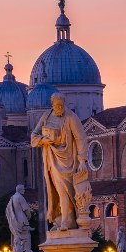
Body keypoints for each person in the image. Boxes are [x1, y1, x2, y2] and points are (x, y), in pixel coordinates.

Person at [30, 91, 90, 231]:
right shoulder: (46, 116)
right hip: (52, 158)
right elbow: (33, 136)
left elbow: (81, 138)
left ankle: (67, 221)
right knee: (57, 191)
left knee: (67, 191)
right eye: (57, 105)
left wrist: (82, 160)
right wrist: (43, 140)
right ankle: (61, 219)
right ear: (52, 104)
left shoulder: (71, 117)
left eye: (62, 105)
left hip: (68, 161)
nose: (60, 108)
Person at [6, 184, 32, 252]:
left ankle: (19, 250)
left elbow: (8, 210)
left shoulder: (12, 198)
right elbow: (26, 209)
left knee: (18, 236)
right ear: (20, 190)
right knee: (27, 236)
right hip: (22, 219)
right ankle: (27, 251)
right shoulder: (20, 197)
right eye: (23, 189)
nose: (24, 190)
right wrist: (29, 216)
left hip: (15, 220)